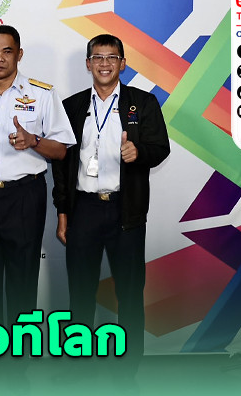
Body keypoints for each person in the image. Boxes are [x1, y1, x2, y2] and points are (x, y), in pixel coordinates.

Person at [52, 34, 170, 380]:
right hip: (84, 210)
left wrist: (139, 152)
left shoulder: (142, 103)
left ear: (123, 63)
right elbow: (61, 166)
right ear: (88, 63)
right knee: (80, 294)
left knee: (130, 295)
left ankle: (128, 371)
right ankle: (78, 367)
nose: (104, 63)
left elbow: (160, 147)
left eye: (112, 57)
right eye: (98, 57)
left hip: (125, 210)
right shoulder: (72, 106)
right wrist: (63, 212)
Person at [0, 25, 76, 328]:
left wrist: (33, 141)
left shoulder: (42, 94)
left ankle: (20, 356)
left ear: (19, 54)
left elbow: (61, 150)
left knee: (22, 284)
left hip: (24, 197)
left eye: (7, 51)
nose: (0, 58)